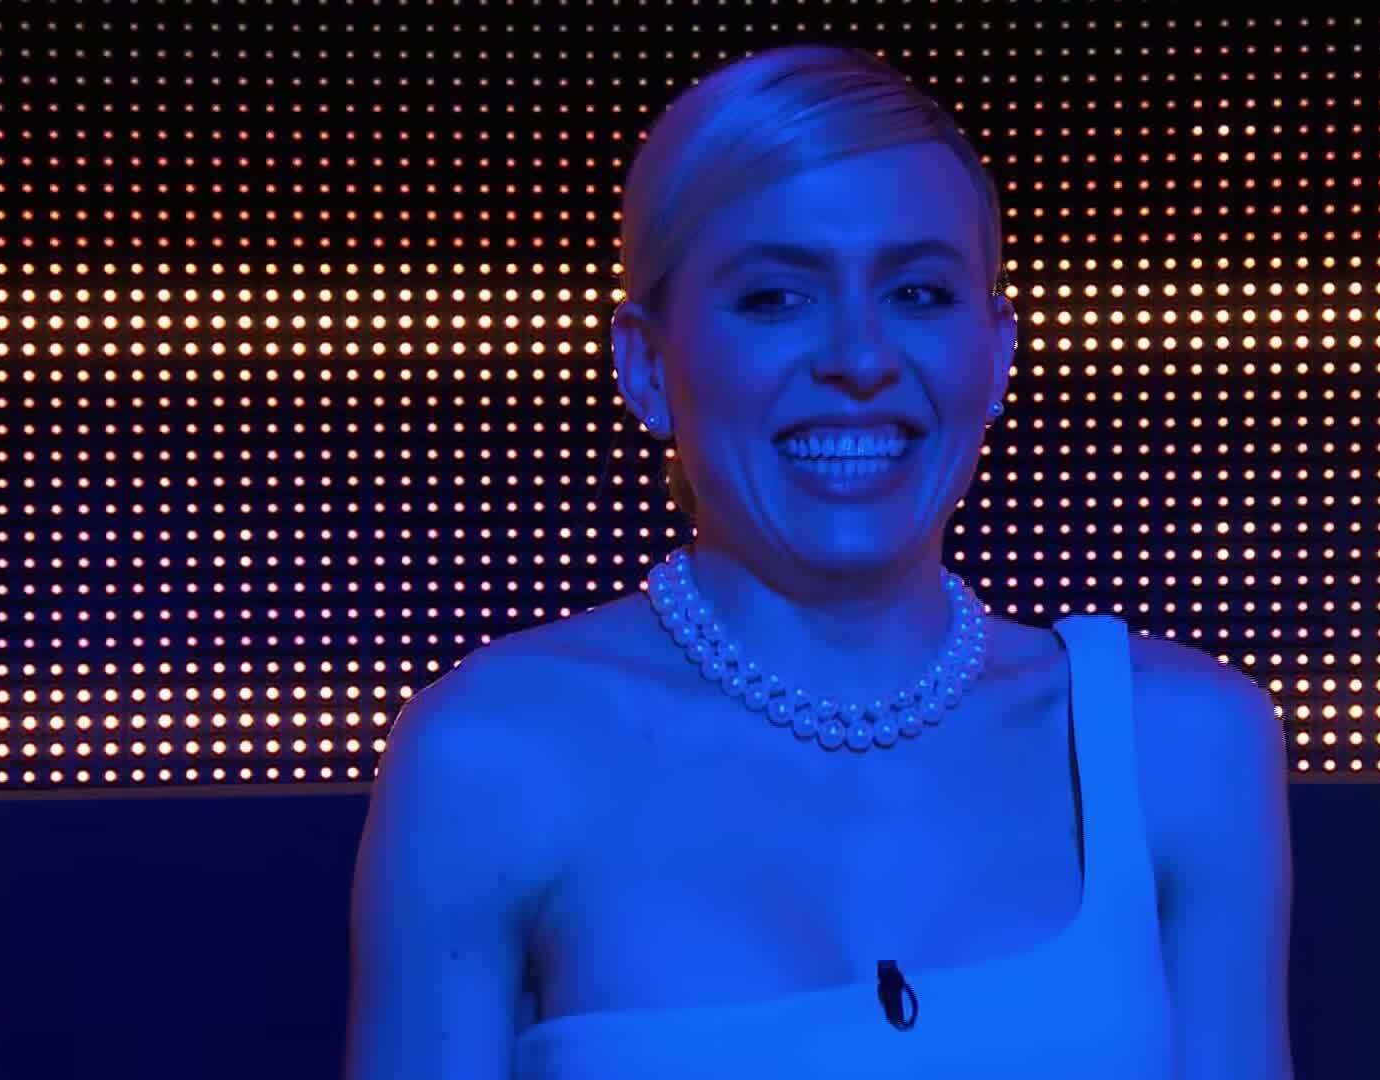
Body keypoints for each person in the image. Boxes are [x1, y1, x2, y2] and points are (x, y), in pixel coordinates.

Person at [344, 44, 1293, 1080]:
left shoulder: (1177, 741)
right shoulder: (492, 755)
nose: (860, 359)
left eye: (918, 294)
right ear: (647, 366)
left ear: (997, 353)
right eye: (775, 298)